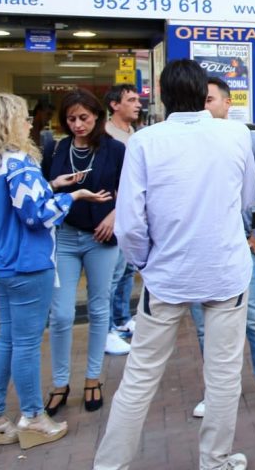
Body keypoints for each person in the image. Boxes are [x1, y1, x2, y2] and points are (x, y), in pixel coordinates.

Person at [93, 59, 255, 470]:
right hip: (225, 269)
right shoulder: (236, 134)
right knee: (223, 375)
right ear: (204, 94)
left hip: (166, 275)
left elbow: (131, 223)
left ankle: (110, 466)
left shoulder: (145, 142)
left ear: (163, 97)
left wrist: (145, 264)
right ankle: (215, 461)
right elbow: (248, 198)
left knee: (139, 376)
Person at [0, 93, 109, 451]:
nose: (29, 122)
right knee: (27, 345)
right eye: (23, 117)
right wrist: (73, 196)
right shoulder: (19, 162)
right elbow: (37, 215)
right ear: (9, 123)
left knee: (7, 340)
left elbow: (16, 204)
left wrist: (53, 185)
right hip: (28, 264)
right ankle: (33, 418)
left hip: (2, 263)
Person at [189, 77, 255, 422]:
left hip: (236, 244)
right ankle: (218, 391)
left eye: (209, 100)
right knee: (205, 328)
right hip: (195, 249)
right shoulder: (188, 140)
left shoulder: (246, 137)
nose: (204, 107)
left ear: (227, 102)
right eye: (200, 101)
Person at [42, 90, 126, 417]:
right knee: (61, 313)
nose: (77, 124)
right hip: (65, 235)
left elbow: (132, 191)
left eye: (83, 118)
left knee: (99, 307)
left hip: (101, 237)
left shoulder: (115, 149)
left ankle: (93, 378)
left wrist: (114, 215)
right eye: (71, 119)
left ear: (97, 116)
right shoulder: (57, 149)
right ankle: (60, 382)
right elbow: (43, 191)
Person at [103, 83, 141, 349]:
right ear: (115, 105)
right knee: (112, 274)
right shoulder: (105, 136)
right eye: (131, 100)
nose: (138, 104)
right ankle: (105, 330)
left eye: (138, 99)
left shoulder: (134, 134)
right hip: (113, 214)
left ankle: (122, 319)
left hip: (132, 213)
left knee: (128, 270)